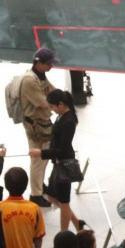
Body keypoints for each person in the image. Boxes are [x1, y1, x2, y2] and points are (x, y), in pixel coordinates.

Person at [29, 90, 82, 232]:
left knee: (63, 202)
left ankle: (64, 232)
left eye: (52, 107)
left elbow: (63, 149)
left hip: (64, 164)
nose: (51, 110)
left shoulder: (69, 121)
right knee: (53, 197)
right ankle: (77, 223)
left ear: (61, 104)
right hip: (58, 163)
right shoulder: (62, 116)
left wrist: (41, 152)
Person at [21, 48, 57, 205]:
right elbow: (44, 103)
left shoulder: (40, 76)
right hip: (36, 126)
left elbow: (52, 91)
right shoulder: (30, 80)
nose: (51, 67)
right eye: (49, 64)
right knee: (38, 160)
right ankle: (36, 194)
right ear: (39, 63)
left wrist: (58, 98)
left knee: (43, 158)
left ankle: (40, 185)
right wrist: (57, 103)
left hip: (43, 123)